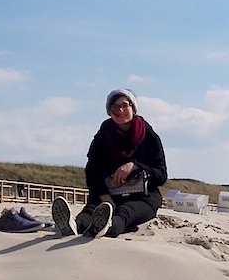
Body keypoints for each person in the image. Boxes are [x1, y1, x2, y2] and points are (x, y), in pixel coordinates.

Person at [52, 89, 168, 238]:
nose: (120, 110)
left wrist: (135, 166)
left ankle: (107, 228)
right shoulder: (102, 137)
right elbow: (92, 172)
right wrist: (103, 195)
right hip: (108, 194)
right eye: (114, 107)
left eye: (125, 105)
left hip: (143, 197)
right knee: (91, 211)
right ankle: (74, 225)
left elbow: (161, 174)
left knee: (125, 213)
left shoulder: (149, 136)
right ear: (109, 111)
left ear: (133, 108)